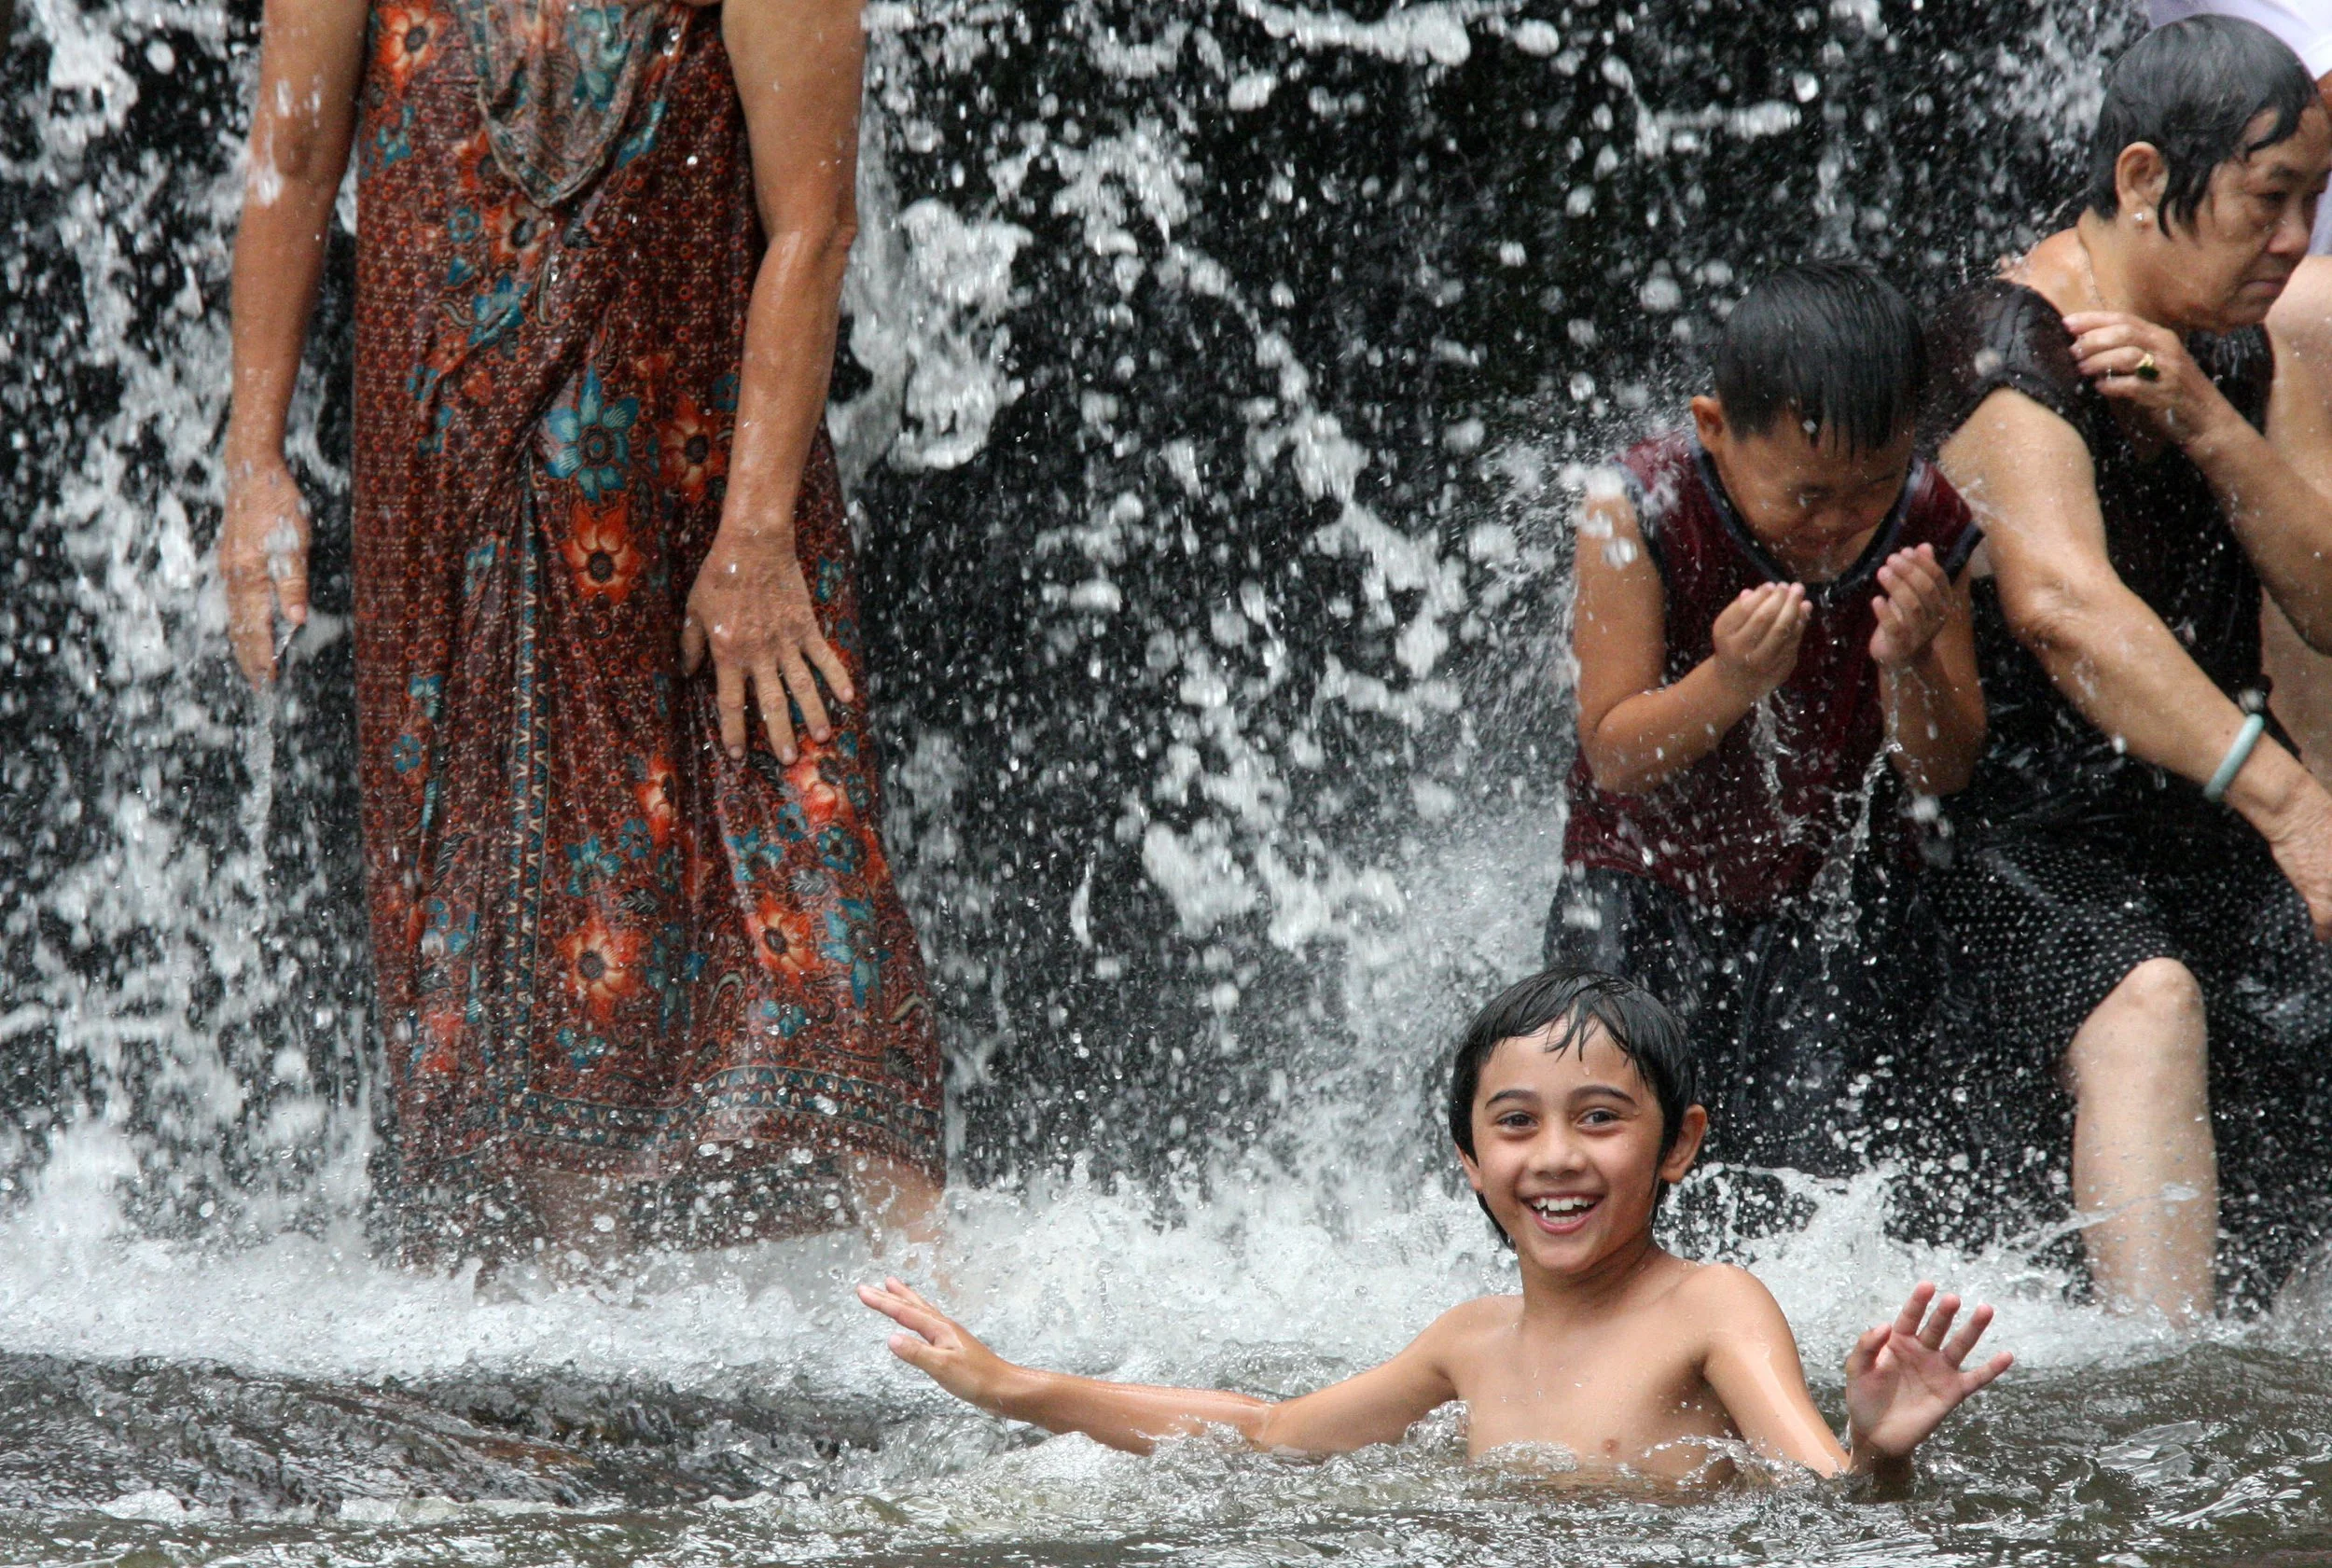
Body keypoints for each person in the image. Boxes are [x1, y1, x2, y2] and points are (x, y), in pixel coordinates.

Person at [217, 0, 944, 1266]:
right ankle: (579, 1331)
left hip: (704, 505)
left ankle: (948, 1325)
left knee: (813, 872)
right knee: (502, 910)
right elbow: (288, 164)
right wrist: (255, 468)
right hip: (446, 495)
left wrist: (759, 535)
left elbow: (813, 230)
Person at [860, 970, 2011, 1484]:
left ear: (1678, 1144)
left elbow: (1816, 1493)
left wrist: (1876, 1456)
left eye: (1600, 1118)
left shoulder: (1707, 1306)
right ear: (1468, 1156)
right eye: (1515, 1123)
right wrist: (1017, 1385)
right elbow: (1266, 1434)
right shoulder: (1469, 1340)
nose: (1554, 1155)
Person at [1922, 15, 2332, 1322]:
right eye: (2271, 200)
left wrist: (2208, 420)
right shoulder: (2003, 346)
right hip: (2012, 843)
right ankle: (2164, 1402)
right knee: (2150, 1000)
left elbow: (2325, 600)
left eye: (2315, 206)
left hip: (2199, 832)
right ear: (2147, 177)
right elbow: (2062, 610)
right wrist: (2291, 802)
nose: (2295, 243)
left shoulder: (2239, 349)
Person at [1550, 262, 1984, 1176]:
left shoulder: (1924, 518)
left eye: (1868, 489)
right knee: (1613, 1149)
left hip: (1819, 902)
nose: (1837, 527)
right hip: (1639, 888)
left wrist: (1907, 662)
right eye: (1807, 496)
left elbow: (1942, 769)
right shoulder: (1637, 511)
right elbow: (1615, 755)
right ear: (1714, 428)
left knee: (1812, 1174)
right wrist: (1731, 678)